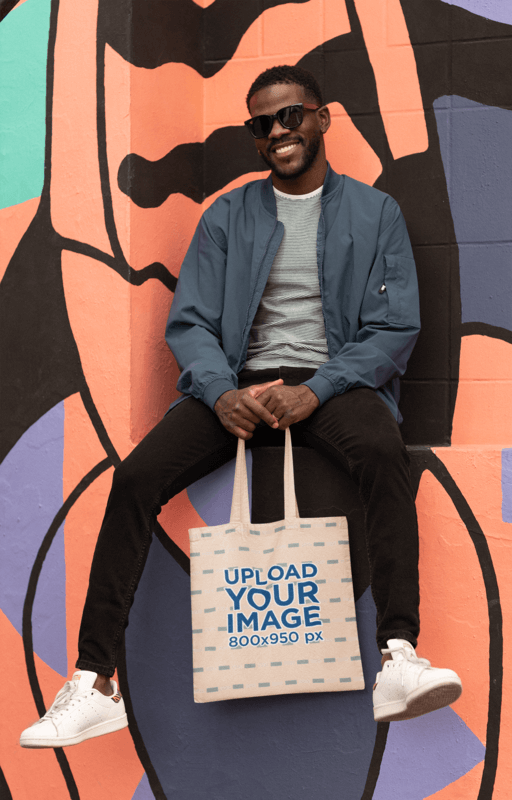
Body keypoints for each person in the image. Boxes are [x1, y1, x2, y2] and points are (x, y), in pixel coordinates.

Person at [20, 65, 461, 749]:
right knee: (136, 479)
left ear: (321, 118)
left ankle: (398, 656)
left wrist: (315, 389)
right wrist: (222, 391)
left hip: (332, 385)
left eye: (290, 117)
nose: (277, 133)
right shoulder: (226, 215)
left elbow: (394, 327)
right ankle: (93, 680)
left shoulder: (374, 213)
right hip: (236, 388)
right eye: (261, 124)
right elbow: (190, 321)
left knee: (380, 454)